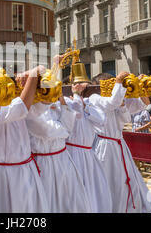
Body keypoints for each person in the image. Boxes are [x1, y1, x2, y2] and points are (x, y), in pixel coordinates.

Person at [0, 65, 49, 213]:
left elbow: (45, 102)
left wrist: (42, 71)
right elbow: (21, 107)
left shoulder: (15, 100)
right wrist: (33, 74)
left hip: (25, 170)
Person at [90, 72, 151, 213]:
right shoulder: (95, 98)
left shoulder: (119, 98)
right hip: (104, 145)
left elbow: (145, 104)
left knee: (127, 179)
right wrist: (120, 85)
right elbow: (111, 103)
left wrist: (140, 86)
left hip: (119, 144)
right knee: (110, 180)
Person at [65, 82, 113, 213]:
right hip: (72, 153)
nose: (81, 87)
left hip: (88, 153)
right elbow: (76, 113)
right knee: (76, 189)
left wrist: (85, 105)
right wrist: (76, 97)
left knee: (93, 189)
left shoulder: (88, 104)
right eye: (77, 85)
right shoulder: (66, 102)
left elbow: (102, 120)